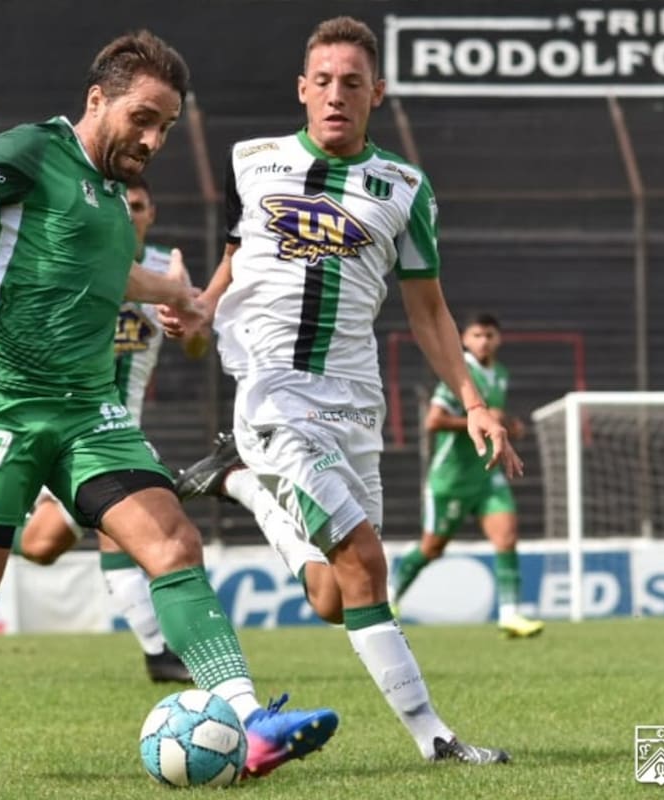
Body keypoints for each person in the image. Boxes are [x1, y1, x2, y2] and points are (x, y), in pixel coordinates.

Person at [0, 30, 337, 778]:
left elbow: (109, 270)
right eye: (142, 117)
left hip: (87, 411)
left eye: (167, 126)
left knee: (172, 545)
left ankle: (249, 720)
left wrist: (180, 296)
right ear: (96, 99)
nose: (153, 138)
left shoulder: (113, 197)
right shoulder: (33, 151)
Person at [160, 16, 522, 765]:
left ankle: (241, 486)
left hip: (356, 408)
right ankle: (437, 740)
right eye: (321, 81)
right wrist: (197, 311)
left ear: (376, 94)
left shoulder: (406, 188)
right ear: (301, 88)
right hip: (273, 399)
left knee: (335, 595)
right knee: (365, 561)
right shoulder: (252, 161)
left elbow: (428, 310)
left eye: (351, 83)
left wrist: (474, 401)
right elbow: (234, 263)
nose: (335, 95)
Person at [17, 177, 207, 684]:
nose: (130, 212)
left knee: (69, 541)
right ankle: (159, 654)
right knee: (73, 541)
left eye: (139, 205)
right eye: (122, 205)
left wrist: (187, 324)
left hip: (123, 424)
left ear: (151, 212)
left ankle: (158, 653)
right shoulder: (88, 258)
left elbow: (198, 346)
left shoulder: (168, 269)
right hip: (73, 422)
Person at [392, 313, 544, 637]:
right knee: (432, 548)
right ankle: (390, 598)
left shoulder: (500, 373)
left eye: (490, 335)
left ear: (498, 339)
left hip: (486, 476)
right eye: (477, 335)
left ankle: (510, 615)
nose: (484, 341)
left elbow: (495, 420)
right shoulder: (460, 373)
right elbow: (433, 421)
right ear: (464, 339)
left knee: (507, 537)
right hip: (452, 479)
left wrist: (508, 427)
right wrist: (483, 420)